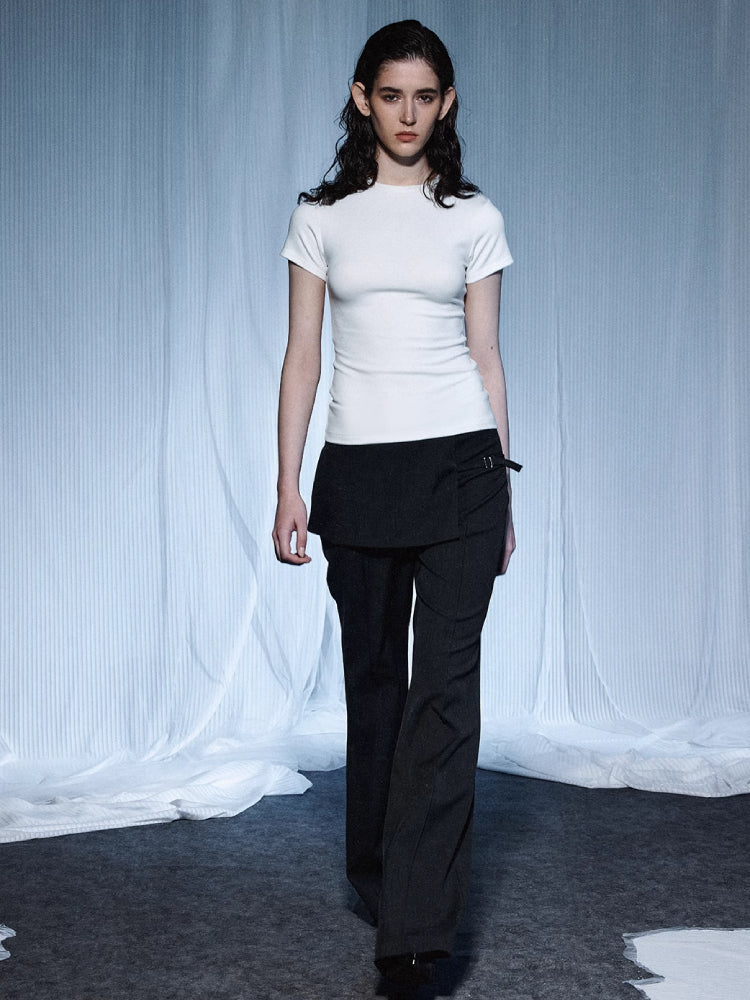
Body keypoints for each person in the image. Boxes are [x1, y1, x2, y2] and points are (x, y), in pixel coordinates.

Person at [272, 19, 520, 991]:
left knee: (444, 697)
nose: (407, 114)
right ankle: (379, 873)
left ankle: (414, 935)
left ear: (445, 103)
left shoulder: (475, 217)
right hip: (360, 473)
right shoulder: (321, 217)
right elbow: (302, 354)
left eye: (424, 97)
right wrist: (288, 483)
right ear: (361, 98)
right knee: (375, 683)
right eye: (390, 96)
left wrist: (506, 491)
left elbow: (487, 355)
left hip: (462, 468)